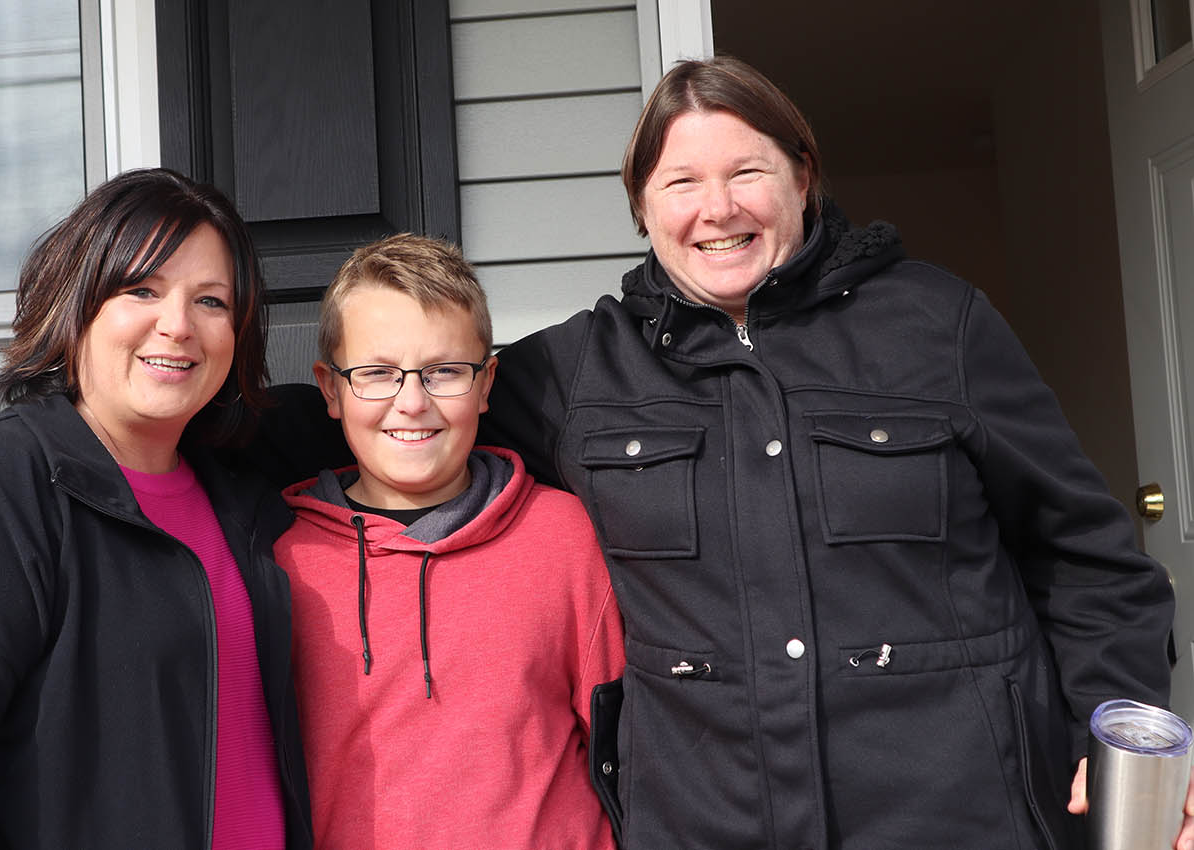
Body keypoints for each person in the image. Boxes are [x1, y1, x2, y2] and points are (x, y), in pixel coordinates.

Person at [469, 56, 1189, 849]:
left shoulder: (937, 325)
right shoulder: (576, 375)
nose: (718, 208)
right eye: (681, 183)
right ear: (642, 204)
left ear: (803, 177)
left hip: (957, 811)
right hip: (704, 821)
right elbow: (404, 417)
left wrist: (1119, 735)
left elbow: (1086, 556)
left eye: (748, 171)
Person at [0, 168, 312, 849]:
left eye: (211, 301)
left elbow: (434, 407)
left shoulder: (248, 493)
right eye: (141, 289)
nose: (177, 326)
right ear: (76, 304)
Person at [274, 233, 625, 849]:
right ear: (330, 389)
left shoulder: (563, 536)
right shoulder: (282, 559)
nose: (412, 402)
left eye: (443, 372)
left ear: (487, 383)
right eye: (377, 374)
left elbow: (635, 749)